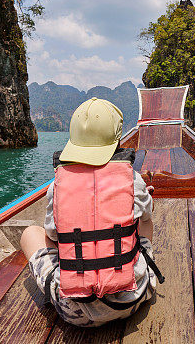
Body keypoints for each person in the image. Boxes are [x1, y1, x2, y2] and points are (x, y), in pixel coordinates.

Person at [20, 97, 163, 327]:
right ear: (116, 140)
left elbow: (53, 238)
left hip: (74, 312)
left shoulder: (56, 187)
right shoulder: (132, 181)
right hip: (133, 299)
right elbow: (145, 217)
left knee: (30, 233)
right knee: (145, 220)